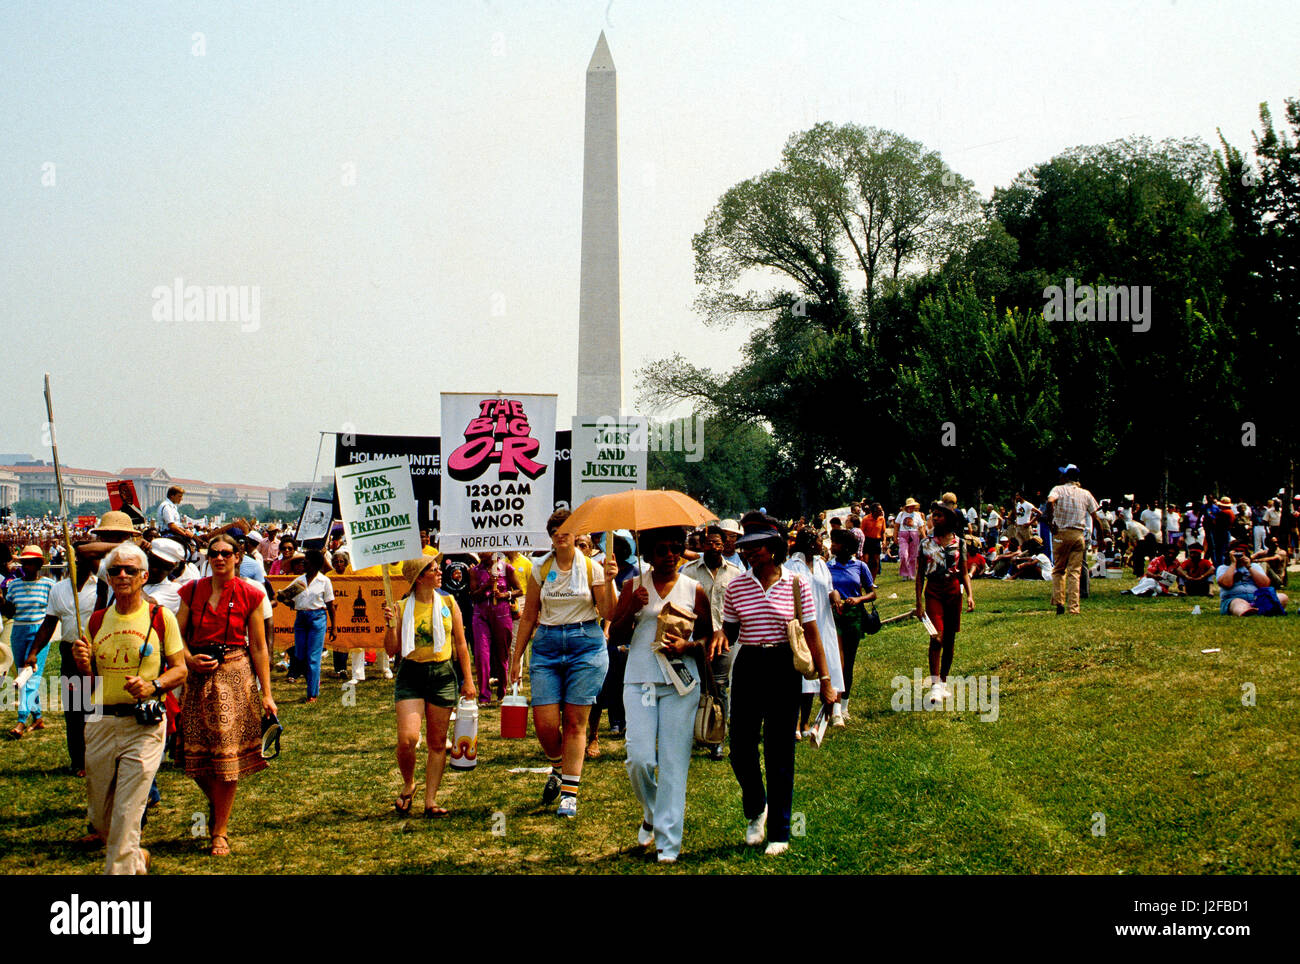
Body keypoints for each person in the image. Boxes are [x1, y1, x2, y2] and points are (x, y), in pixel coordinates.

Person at [713, 513, 837, 856]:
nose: (749, 552)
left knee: (779, 750)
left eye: (756, 547)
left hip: (784, 667)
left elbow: (812, 634)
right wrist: (720, 635)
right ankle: (756, 809)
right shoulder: (737, 585)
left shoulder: (797, 583)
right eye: (745, 547)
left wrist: (826, 681)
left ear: (773, 548)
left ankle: (780, 831)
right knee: (739, 748)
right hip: (750, 664)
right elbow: (733, 630)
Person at [72, 543, 187, 874]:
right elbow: (92, 680)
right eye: (115, 570)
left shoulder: (159, 617)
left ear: (144, 576)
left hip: (144, 725)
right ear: (107, 578)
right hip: (100, 721)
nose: (122, 575)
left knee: (126, 811)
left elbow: (180, 669)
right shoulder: (96, 621)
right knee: (101, 818)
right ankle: (136, 858)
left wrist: (154, 686)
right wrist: (84, 666)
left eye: (130, 570)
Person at [607, 527, 711, 862]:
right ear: (648, 554)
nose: (669, 555)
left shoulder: (694, 590)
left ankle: (668, 842)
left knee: (673, 763)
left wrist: (688, 645)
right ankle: (651, 812)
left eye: (675, 549)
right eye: (662, 550)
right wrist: (631, 610)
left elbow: (711, 641)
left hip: (680, 683)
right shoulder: (632, 587)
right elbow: (615, 635)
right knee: (640, 759)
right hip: (640, 679)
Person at [509, 509, 618, 818]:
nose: (561, 534)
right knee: (544, 724)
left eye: (567, 529)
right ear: (551, 536)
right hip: (546, 646)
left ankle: (569, 793)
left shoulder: (593, 568)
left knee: (574, 722)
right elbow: (529, 614)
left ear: (576, 533)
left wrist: (609, 581)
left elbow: (609, 612)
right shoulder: (539, 569)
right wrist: (516, 658)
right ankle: (558, 766)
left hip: (585, 645)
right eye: (556, 529)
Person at [176, 533, 277, 856]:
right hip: (197, 676)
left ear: (238, 556)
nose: (219, 558)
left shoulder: (251, 593)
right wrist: (189, 658)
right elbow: (176, 636)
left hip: (235, 675)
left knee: (227, 755)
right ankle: (220, 804)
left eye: (225, 553)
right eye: (213, 553)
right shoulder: (192, 590)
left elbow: (259, 646)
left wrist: (267, 692)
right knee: (194, 756)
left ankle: (220, 830)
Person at [382, 556, 476, 817]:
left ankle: (430, 800)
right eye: (434, 570)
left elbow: (460, 644)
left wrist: (468, 680)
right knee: (408, 739)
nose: (439, 573)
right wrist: (390, 625)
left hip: (443, 674)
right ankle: (409, 782)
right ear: (419, 577)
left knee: (437, 743)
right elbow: (391, 650)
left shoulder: (448, 601)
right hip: (411, 674)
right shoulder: (400, 607)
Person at [21, 543, 101, 770]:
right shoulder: (59, 589)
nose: (81, 563)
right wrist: (34, 652)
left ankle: (98, 759)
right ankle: (79, 760)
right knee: (75, 711)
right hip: (69, 652)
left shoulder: (103, 588)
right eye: (77, 559)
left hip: (97, 654)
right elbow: (49, 623)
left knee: (96, 708)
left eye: (89, 559)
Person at [680, 524, 743, 759]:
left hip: (726, 638)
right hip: (697, 638)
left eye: (719, 544)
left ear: (725, 545)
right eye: (710, 543)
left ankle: (717, 737)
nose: (714, 548)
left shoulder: (735, 573)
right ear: (702, 545)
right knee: (695, 685)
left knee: (720, 686)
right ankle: (695, 731)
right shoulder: (689, 571)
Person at [785, 527, 845, 735]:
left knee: (822, 669)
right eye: (819, 540)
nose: (822, 543)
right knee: (803, 671)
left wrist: (835, 595)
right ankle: (794, 723)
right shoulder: (791, 565)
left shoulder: (821, 564)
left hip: (823, 622)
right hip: (803, 625)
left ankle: (807, 722)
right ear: (810, 543)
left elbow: (828, 588)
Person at [914, 504, 975, 706]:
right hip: (933, 591)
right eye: (934, 516)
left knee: (949, 639)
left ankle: (943, 681)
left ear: (948, 519)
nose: (935, 519)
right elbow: (920, 574)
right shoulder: (926, 543)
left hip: (953, 591)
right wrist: (919, 602)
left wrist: (969, 595)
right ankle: (935, 685)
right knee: (936, 637)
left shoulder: (960, 543)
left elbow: (964, 571)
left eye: (939, 516)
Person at [3, 545, 56, 739]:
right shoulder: (14, 585)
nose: (27, 566)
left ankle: (21, 720)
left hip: (39, 632)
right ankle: (38, 717)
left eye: (31, 562)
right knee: (22, 674)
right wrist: (2, 601)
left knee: (30, 675)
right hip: (18, 630)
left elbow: (53, 613)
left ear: (39, 564)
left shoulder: (49, 585)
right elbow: (9, 612)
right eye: (25, 562)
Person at [827, 527, 875, 723]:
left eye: (836, 543)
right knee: (838, 661)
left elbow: (872, 593)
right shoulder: (828, 566)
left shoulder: (860, 566)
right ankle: (834, 707)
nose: (832, 546)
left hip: (854, 615)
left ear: (846, 547)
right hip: (834, 615)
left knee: (849, 661)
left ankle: (844, 704)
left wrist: (858, 599)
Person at [1044, 464, 1103, 615]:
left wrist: (1051, 522)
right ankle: (1074, 607)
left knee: (1058, 570)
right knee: (1074, 572)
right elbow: (1096, 517)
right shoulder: (1086, 494)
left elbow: (1050, 502)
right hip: (1078, 535)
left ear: (1065, 477)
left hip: (1061, 533)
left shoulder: (1058, 489)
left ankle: (1059, 602)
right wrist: (1101, 537)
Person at [283, 548, 336, 701]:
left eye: (306, 561)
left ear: (315, 564)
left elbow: (331, 606)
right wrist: (284, 599)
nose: (303, 563)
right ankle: (313, 680)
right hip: (301, 618)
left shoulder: (324, 581)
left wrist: (334, 627)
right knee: (300, 655)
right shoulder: (299, 581)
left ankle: (312, 693)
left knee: (313, 657)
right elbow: (287, 598)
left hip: (317, 618)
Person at [469, 552, 518, 707]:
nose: (482, 554)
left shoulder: (506, 568)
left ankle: (502, 691)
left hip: (502, 613)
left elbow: (520, 589)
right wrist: (486, 586)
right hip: (481, 614)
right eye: (480, 551)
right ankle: (484, 695)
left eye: (485, 551)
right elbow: (473, 595)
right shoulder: (475, 571)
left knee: (502, 654)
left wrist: (505, 594)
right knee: (482, 654)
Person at [1217, 541, 1287, 615]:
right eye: (1236, 552)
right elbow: (1226, 584)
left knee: (1282, 597)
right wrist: (1233, 564)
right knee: (1238, 603)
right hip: (1234, 599)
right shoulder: (1223, 568)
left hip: (1256, 599)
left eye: (1241, 552)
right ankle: (1256, 610)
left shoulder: (1254, 566)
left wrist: (1249, 567)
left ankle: (1256, 610)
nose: (1239, 554)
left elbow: (1265, 584)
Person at [895, 498, 925, 580]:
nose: (912, 508)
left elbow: (921, 527)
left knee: (913, 556)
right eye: (910, 506)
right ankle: (904, 573)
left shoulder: (917, 515)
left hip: (914, 535)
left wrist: (924, 537)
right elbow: (896, 526)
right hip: (903, 535)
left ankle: (911, 574)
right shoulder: (901, 514)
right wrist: (895, 537)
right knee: (904, 554)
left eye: (913, 506)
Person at [860, 503, 886, 579]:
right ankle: (864, 578)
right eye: (879, 510)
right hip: (867, 541)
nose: (881, 511)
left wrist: (884, 541)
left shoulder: (882, 519)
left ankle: (872, 580)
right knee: (866, 561)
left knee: (875, 562)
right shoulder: (866, 519)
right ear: (874, 511)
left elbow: (883, 532)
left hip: (876, 541)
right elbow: (862, 531)